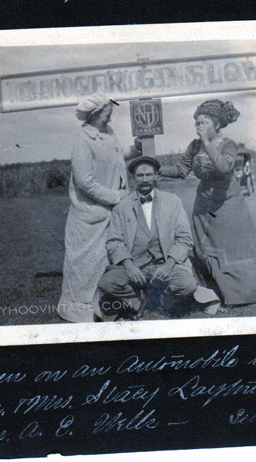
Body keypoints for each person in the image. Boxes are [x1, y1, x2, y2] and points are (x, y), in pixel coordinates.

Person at [160, 99, 256, 306]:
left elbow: (224, 167)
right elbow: (181, 170)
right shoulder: (194, 145)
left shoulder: (228, 145)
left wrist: (207, 143)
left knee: (231, 248)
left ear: (216, 123)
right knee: (205, 248)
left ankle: (243, 294)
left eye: (203, 122)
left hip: (228, 205)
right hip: (203, 205)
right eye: (197, 123)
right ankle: (213, 292)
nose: (198, 127)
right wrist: (155, 170)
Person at [57, 93, 131, 323]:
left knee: (105, 262)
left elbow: (115, 162)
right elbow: (84, 182)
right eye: (108, 111)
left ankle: (105, 308)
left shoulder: (109, 134)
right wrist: (115, 197)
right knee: (84, 266)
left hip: (108, 211)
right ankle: (78, 312)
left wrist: (134, 153)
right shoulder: (83, 140)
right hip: (88, 215)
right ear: (96, 112)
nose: (111, 114)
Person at [97, 156, 197, 320]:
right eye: (140, 176)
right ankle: (136, 301)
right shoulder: (121, 207)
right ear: (133, 178)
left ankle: (161, 302)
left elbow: (184, 238)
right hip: (135, 266)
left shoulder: (173, 202)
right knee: (107, 283)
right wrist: (129, 266)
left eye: (149, 175)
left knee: (187, 285)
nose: (145, 179)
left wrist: (169, 265)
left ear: (156, 176)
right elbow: (114, 242)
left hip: (165, 265)